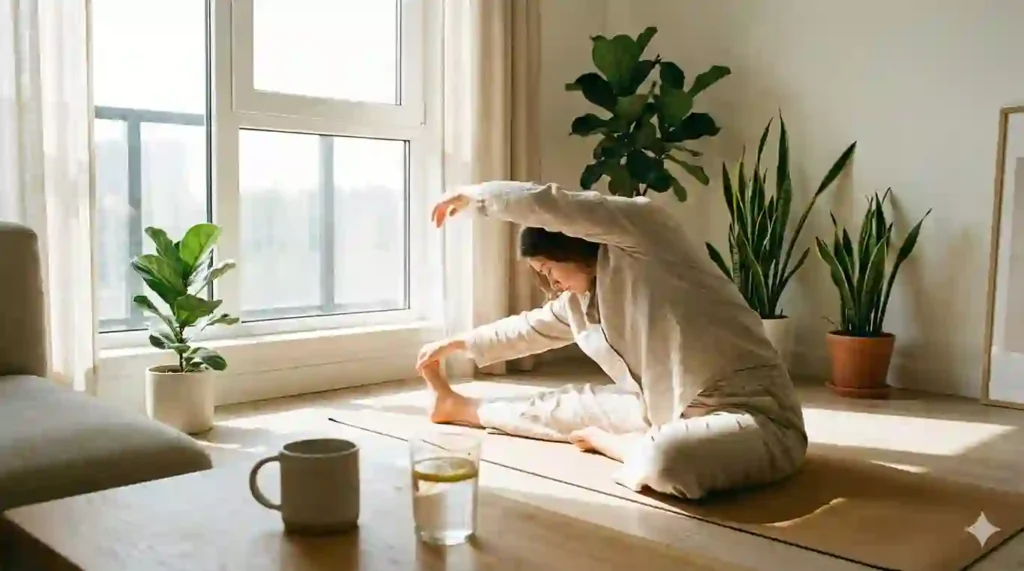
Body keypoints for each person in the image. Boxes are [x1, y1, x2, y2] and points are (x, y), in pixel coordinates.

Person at [415, 180, 807, 500]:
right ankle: (459, 406)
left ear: (569, 244)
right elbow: (530, 329)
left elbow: (556, 204)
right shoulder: (580, 301)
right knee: (563, 407)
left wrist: (476, 196)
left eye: (547, 269)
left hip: (753, 414)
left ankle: (620, 445)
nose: (550, 283)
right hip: (661, 410)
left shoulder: (648, 236)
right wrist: (458, 344)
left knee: (664, 459)